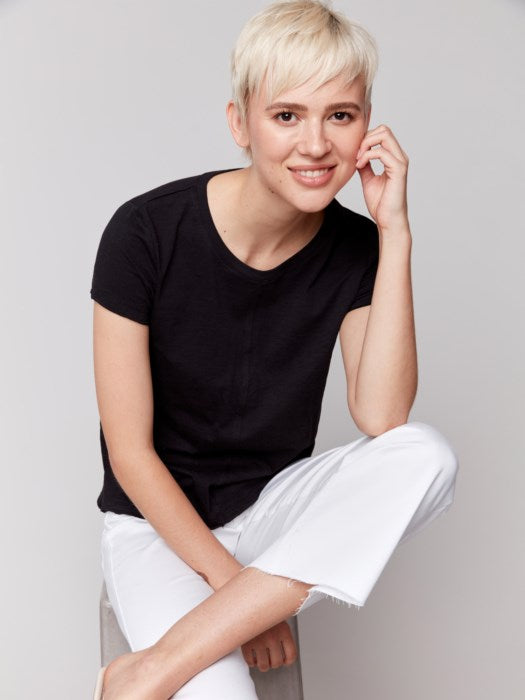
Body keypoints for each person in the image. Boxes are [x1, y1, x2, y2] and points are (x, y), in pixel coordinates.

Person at [90, 1, 459, 698]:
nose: (315, 144)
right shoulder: (144, 233)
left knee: (427, 454)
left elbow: (382, 418)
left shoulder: (356, 248)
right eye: (286, 115)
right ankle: (171, 657)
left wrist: (396, 233)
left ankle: (146, 674)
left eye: (340, 116)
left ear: (366, 126)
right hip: (156, 531)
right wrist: (239, 600)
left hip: (272, 516)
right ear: (240, 124)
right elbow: (129, 455)